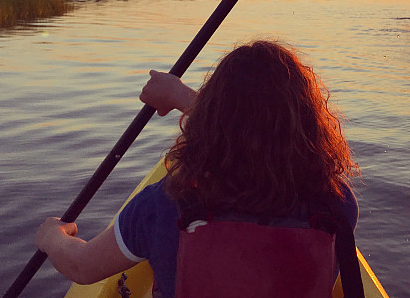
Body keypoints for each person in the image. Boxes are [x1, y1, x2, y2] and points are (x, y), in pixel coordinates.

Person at [35, 40, 359, 297]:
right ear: (310, 123)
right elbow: (259, 132)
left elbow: (80, 267)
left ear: (209, 121)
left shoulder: (163, 206)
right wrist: (178, 94)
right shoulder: (336, 204)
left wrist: (53, 237)